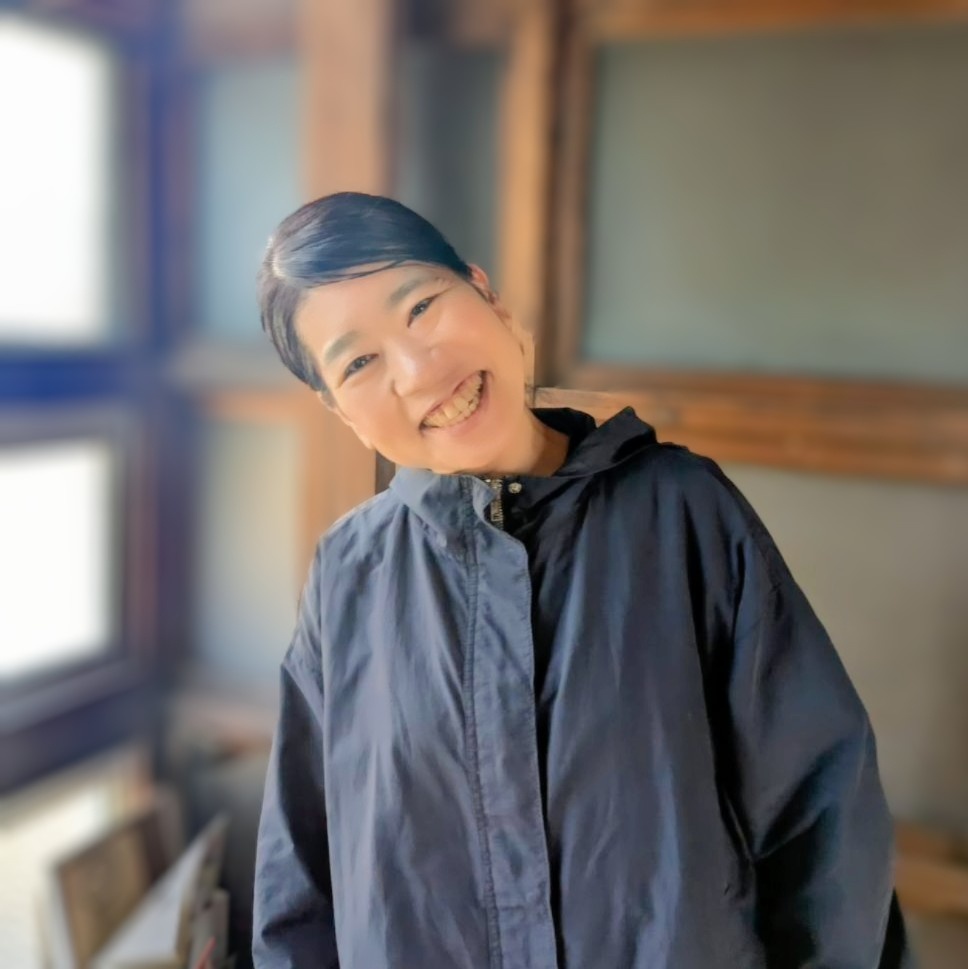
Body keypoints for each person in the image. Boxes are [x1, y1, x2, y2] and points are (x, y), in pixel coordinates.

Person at [252, 192, 911, 968]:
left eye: (421, 306)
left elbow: (825, 820)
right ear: (338, 408)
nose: (420, 370)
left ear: (485, 292)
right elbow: (301, 880)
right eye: (359, 362)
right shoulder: (347, 574)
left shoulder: (681, 512)